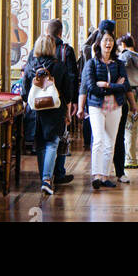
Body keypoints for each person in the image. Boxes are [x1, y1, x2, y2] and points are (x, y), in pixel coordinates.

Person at [78, 28, 130, 190]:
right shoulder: (91, 64)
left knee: (110, 142)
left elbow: (125, 86)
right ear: (99, 43)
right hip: (96, 106)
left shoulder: (119, 63)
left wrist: (107, 85)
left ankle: (105, 175)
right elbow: (90, 87)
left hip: (115, 106)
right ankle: (96, 175)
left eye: (111, 40)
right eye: (105, 40)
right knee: (99, 139)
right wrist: (115, 86)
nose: (108, 43)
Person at [21, 33, 69, 198]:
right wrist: (67, 109)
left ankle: (45, 179)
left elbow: (24, 92)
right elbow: (68, 92)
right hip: (54, 111)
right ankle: (47, 179)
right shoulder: (60, 66)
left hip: (35, 112)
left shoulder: (29, 66)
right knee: (52, 143)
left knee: (40, 144)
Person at [46, 19, 79, 187]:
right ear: (61, 33)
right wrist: (72, 101)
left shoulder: (40, 49)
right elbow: (72, 77)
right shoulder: (66, 50)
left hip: (42, 101)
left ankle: (45, 174)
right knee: (61, 136)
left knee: (45, 138)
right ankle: (58, 172)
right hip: (60, 100)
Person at [117, 34, 138, 171]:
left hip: (126, 92)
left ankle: (129, 158)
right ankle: (131, 157)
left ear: (122, 44)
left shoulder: (125, 56)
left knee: (126, 126)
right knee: (132, 126)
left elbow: (121, 68)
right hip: (137, 92)